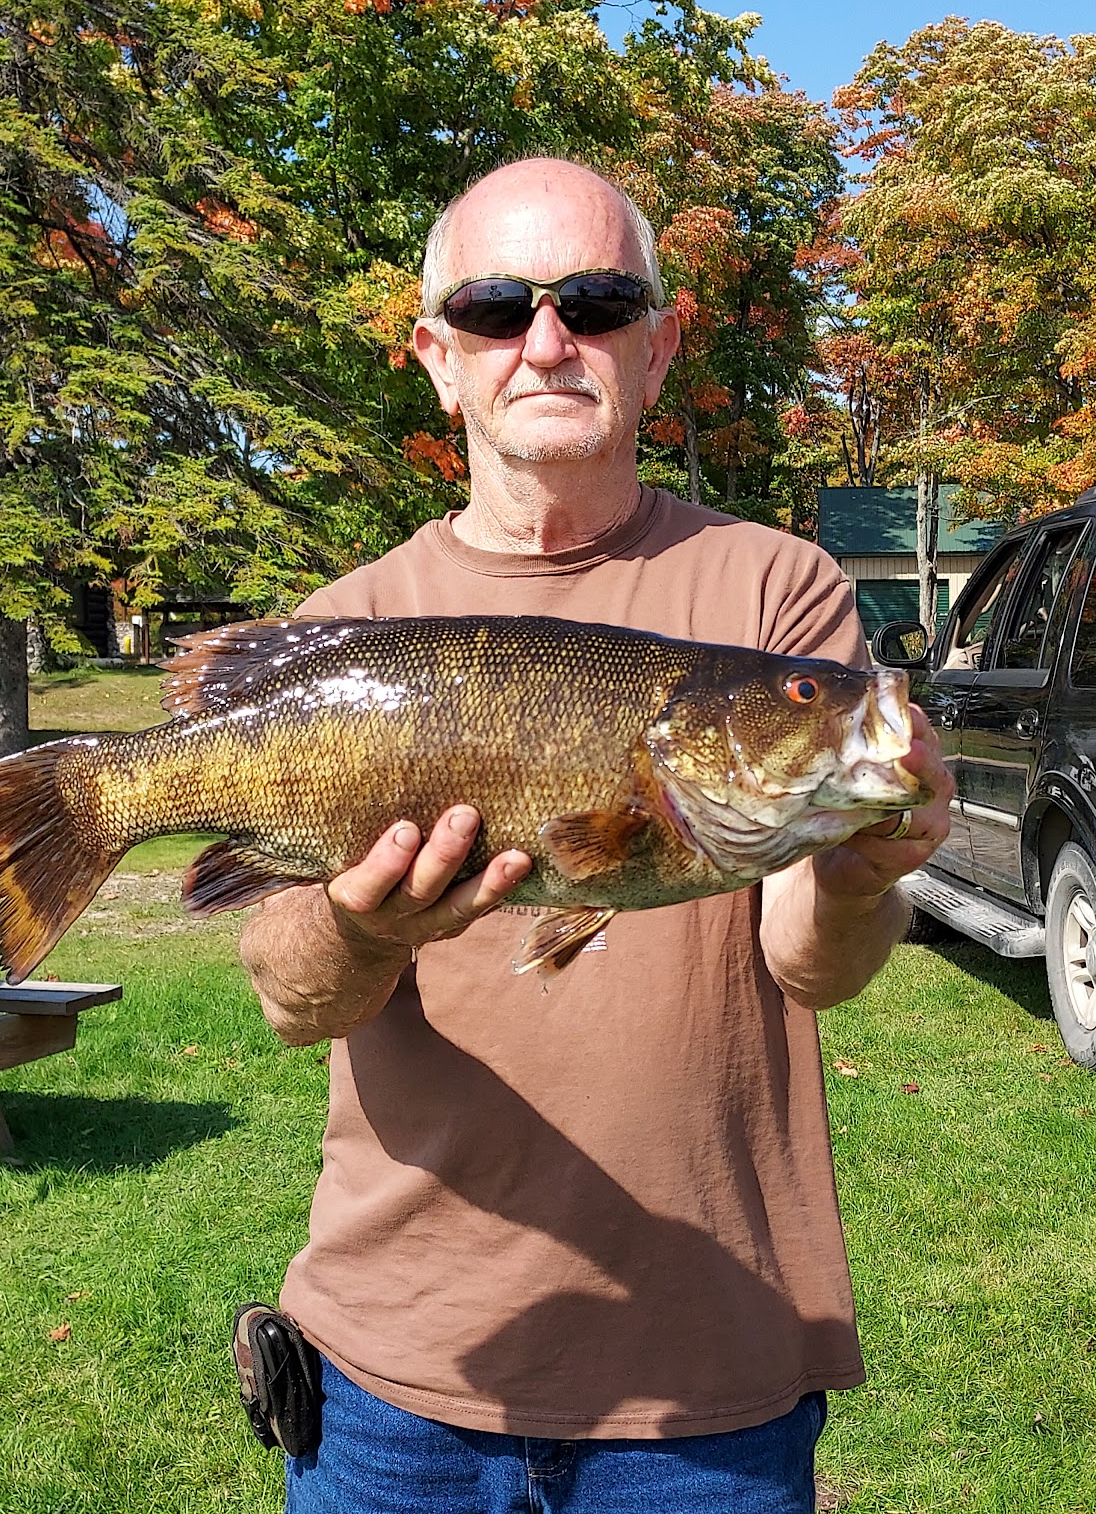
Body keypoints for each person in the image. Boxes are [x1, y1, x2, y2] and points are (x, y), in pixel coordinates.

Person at [240, 157, 953, 1514]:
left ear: (661, 344)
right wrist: (354, 926)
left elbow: (811, 960)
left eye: (600, 301)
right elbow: (286, 997)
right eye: (499, 308)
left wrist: (859, 873)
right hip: (400, 1373)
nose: (549, 341)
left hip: (706, 1384)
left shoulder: (774, 591)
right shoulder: (348, 623)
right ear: (438, 357)